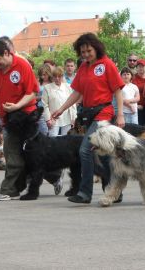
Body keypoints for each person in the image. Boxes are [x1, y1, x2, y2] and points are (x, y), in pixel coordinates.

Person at [51, 33, 125, 204]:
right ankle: (115, 190)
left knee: (85, 150)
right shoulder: (83, 67)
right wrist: (61, 109)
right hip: (88, 114)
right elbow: (77, 92)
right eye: (82, 52)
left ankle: (85, 193)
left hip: (104, 114)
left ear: (96, 48)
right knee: (104, 155)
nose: (85, 54)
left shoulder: (107, 64)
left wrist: (120, 114)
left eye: (88, 51)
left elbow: (117, 91)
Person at [0, 40, 45, 201]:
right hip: (8, 120)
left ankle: (53, 175)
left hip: (27, 118)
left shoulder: (23, 65)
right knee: (12, 154)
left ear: (6, 53)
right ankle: (10, 190)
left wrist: (17, 105)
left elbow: (32, 92)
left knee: (34, 155)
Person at [43, 66, 77, 136]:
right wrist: (48, 119)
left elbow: (72, 103)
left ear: (62, 76)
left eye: (59, 76)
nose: (57, 79)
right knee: (52, 139)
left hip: (67, 118)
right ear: (52, 77)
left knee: (66, 140)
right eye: (55, 76)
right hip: (53, 119)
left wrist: (74, 117)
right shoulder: (47, 88)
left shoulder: (68, 86)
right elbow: (45, 105)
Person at [132, 59, 145, 128]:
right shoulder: (133, 78)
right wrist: (136, 105)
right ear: (136, 68)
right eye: (139, 66)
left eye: (143, 66)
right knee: (140, 127)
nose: (141, 68)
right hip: (138, 107)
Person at [36, 64, 53, 135]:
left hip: (52, 109)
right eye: (41, 75)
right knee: (44, 131)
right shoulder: (38, 83)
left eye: (44, 75)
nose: (43, 77)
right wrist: (41, 97)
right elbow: (34, 97)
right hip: (41, 109)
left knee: (52, 131)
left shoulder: (53, 83)